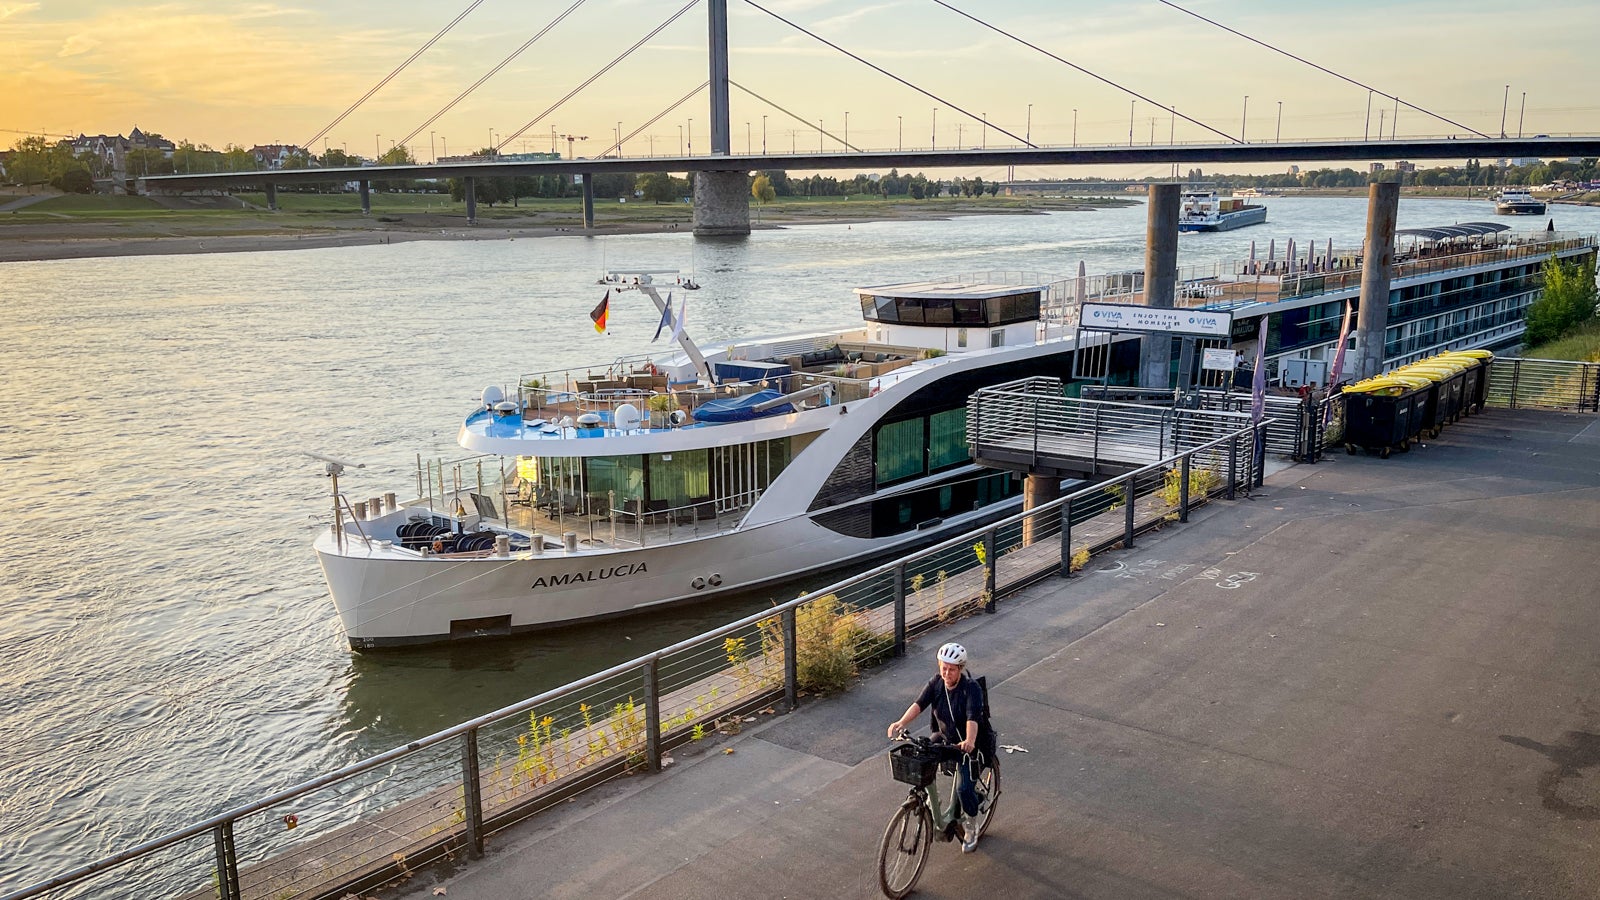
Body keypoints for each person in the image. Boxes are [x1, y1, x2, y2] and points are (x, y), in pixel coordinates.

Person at [886, 642, 990, 853]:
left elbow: (972, 717)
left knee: (964, 789)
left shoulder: (971, 688)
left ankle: (971, 826)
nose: (946, 673)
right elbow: (919, 704)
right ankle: (932, 802)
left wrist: (969, 741)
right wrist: (901, 723)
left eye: (952, 669)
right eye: (943, 667)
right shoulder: (936, 683)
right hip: (944, 737)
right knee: (922, 757)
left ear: (960, 669)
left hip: (967, 746)